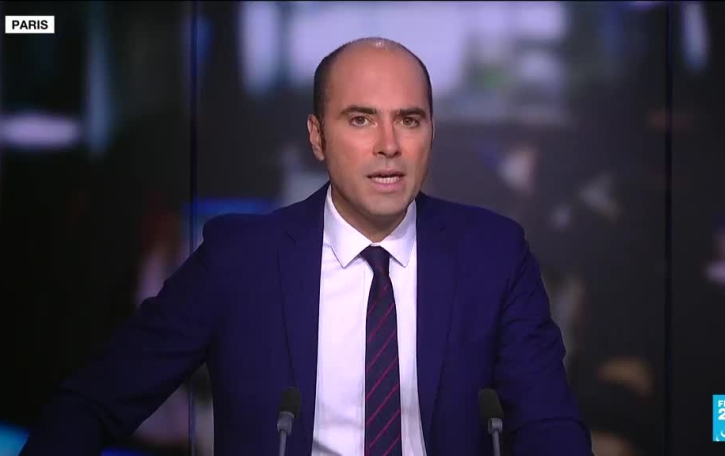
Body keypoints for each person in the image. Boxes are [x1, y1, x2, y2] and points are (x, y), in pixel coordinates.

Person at [20, 37, 593, 456]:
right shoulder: (239, 259)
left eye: (409, 120)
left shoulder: (493, 254)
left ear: (431, 133)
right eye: (361, 120)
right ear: (317, 137)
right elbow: (95, 400)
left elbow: (549, 427)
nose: (389, 145)